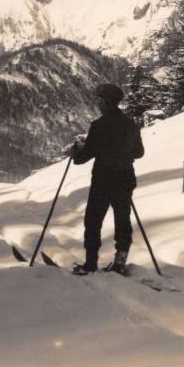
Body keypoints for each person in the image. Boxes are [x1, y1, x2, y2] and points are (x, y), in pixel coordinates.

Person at [69, 83, 144, 276]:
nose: (97, 103)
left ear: (106, 101)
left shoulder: (99, 126)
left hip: (103, 180)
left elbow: (83, 157)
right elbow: (139, 152)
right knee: (122, 221)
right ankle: (120, 262)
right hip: (125, 179)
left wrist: (75, 151)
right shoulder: (131, 125)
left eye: (99, 99)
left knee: (93, 221)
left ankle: (90, 263)